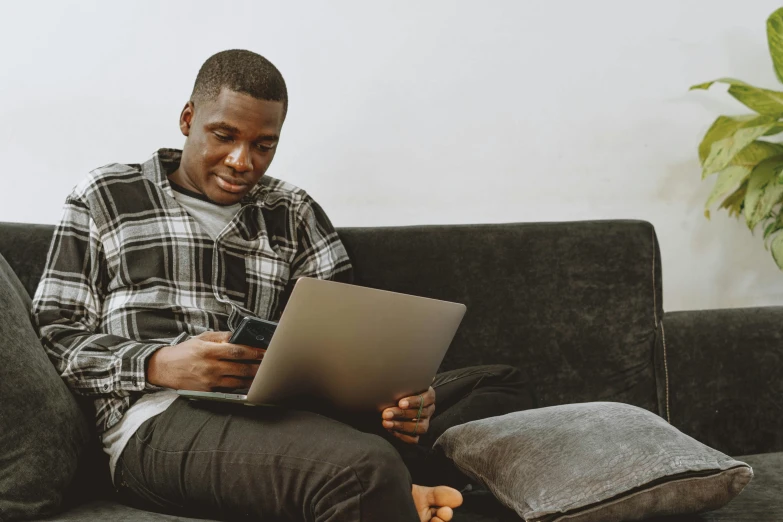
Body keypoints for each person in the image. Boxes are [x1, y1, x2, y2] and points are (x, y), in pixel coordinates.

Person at [32, 49, 534, 522]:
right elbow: (57, 335)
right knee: (362, 468)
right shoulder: (106, 195)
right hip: (159, 420)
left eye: (262, 145)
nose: (241, 161)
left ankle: (394, 484)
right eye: (223, 136)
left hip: (286, 412)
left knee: (499, 384)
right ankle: (391, 484)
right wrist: (161, 364)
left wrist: (401, 403)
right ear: (188, 119)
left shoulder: (292, 211)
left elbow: (348, 345)